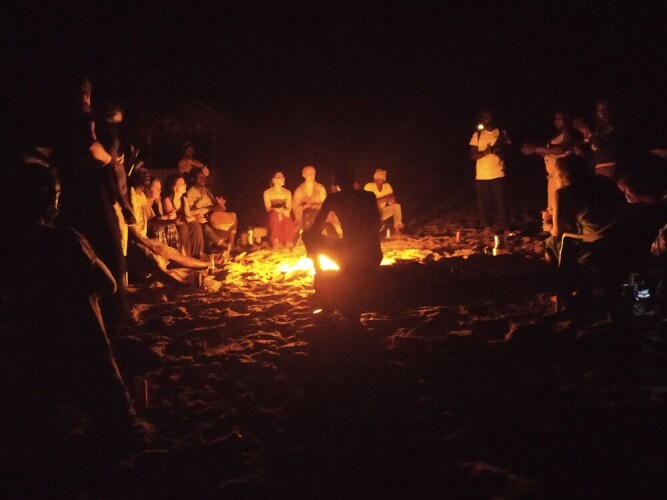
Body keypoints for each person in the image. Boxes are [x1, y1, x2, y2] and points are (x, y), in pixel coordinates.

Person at [0, 163, 145, 494]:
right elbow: (108, 284)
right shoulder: (65, 240)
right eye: (56, 194)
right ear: (47, 199)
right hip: (85, 346)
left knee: (42, 430)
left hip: (37, 352)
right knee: (120, 425)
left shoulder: (10, 249)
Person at [52, 76, 129, 336]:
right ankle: (114, 316)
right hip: (93, 194)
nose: (87, 98)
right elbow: (93, 151)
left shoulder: (59, 122)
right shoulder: (82, 119)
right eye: (85, 94)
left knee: (83, 253)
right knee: (110, 251)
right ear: (83, 95)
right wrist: (109, 160)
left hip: (73, 195)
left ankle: (89, 315)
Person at [127, 169, 208, 284]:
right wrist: (150, 244)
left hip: (146, 240)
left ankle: (207, 264)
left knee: (174, 254)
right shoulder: (130, 197)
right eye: (142, 173)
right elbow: (133, 230)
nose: (146, 175)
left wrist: (169, 220)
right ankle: (187, 278)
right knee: (161, 261)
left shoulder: (141, 197)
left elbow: (152, 220)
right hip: (138, 242)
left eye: (146, 172)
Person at [303, 166, 383, 273]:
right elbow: (377, 223)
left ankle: (320, 273)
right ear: (353, 179)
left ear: (336, 183)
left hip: (351, 259)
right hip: (374, 257)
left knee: (307, 235)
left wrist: (324, 228)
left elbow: (314, 228)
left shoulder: (333, 199)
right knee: (348, 243)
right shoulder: (369, 196)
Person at [521, 111, 574, 214]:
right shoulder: (557, 134)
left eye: (559, 118)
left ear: (567, 119)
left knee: (560, 207)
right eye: (555, 119)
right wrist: (533, 150)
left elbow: (562, 149)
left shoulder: (568, 133)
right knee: (553, 207)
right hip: (552, 176)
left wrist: (536, 148)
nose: (556, 121)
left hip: (561, 176)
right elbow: (549, 154)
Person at [469, 109, 511, 233]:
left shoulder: (502, 133)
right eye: (484, 117)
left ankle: (507, 227)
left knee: (502, 202)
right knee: (483, 204)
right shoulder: (477, 134)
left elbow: (509, 151)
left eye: (488, 117)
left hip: (498, 173)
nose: (486, 120)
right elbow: (473, 156)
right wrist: (486, 152)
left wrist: (499, 151)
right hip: (481, 175)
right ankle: (487, 226)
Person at [186, 167, 237, 260]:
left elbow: (216, 207)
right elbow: (188, 212)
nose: (203, 179)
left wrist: (220, 205)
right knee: (206, 228)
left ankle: (231, 244)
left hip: (211, 217)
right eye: (200, 177)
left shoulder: (207, 191)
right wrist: (207, 209)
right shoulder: (189, 193)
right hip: (201, 220)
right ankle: (227, 247)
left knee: (233, 215)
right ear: (193, 179)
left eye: (204, 177)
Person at [162, 174, 205, 259]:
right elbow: (173, 220)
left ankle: (197, 255)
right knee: (183, 227)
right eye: (182, 184)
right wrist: (193, 218)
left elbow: (188, 216)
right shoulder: (167, 200)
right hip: (173, 225)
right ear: (175, 188)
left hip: (182, 221)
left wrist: (197, 218)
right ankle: (186, 256)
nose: (185, 185)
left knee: (196, 225)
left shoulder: (183, 198)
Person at [363, 168, 404, 234]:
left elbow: (392, 201)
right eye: (377, 179)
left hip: (381, 213)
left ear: (383, 180)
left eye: (381, 179)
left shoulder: (387, 187)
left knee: (397, 206)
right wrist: (386, 197)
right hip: (371, 214)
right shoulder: (369, 186)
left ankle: (397, 230)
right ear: (374, 179)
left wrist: (391, 200)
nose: (379, 181)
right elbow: (370, 202)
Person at [263, 171, 296, 248]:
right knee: (275, 215)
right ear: (274, 180)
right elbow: (268, 208)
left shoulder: (287, 192)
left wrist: (283, 211)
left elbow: (288, 208)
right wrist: (278, 211)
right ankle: (276, 240)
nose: (282, 179)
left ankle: (288, 240)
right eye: (279, 177)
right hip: (272, 215)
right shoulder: (267, 192)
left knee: (287, 216)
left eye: (283, 177)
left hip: (284, 214)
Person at [292, 165, 328, 231]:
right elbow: (295, 206)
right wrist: (302, 208)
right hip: (304, 217)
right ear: (304, 175)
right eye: (309, 173)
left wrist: (316, 205)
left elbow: (325, 204)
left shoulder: (320, 188)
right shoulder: (299, 190)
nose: (311, 175)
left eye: (313, 173)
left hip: (318, 215)